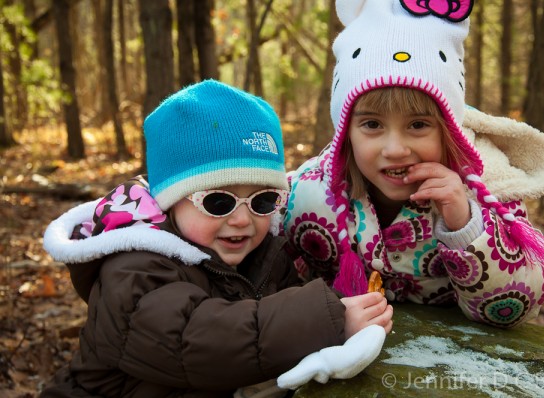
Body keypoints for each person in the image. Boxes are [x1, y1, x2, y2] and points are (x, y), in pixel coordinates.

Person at [41, 80, 393, 397]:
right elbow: (196, 341)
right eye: (218, 201)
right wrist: (327, 318)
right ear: (169, 202)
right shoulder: (134, 270)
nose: (242, 219)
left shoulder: (266, 255)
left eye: (263, 200)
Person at [284, 0, 544, 328]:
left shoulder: (487, 189)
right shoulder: (308, 195)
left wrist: (464, 225)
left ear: (448, 130)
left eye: (418, 125)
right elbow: (271, 275)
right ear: (346, 131)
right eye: (372, 125)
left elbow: (518, 306)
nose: (395, 149)